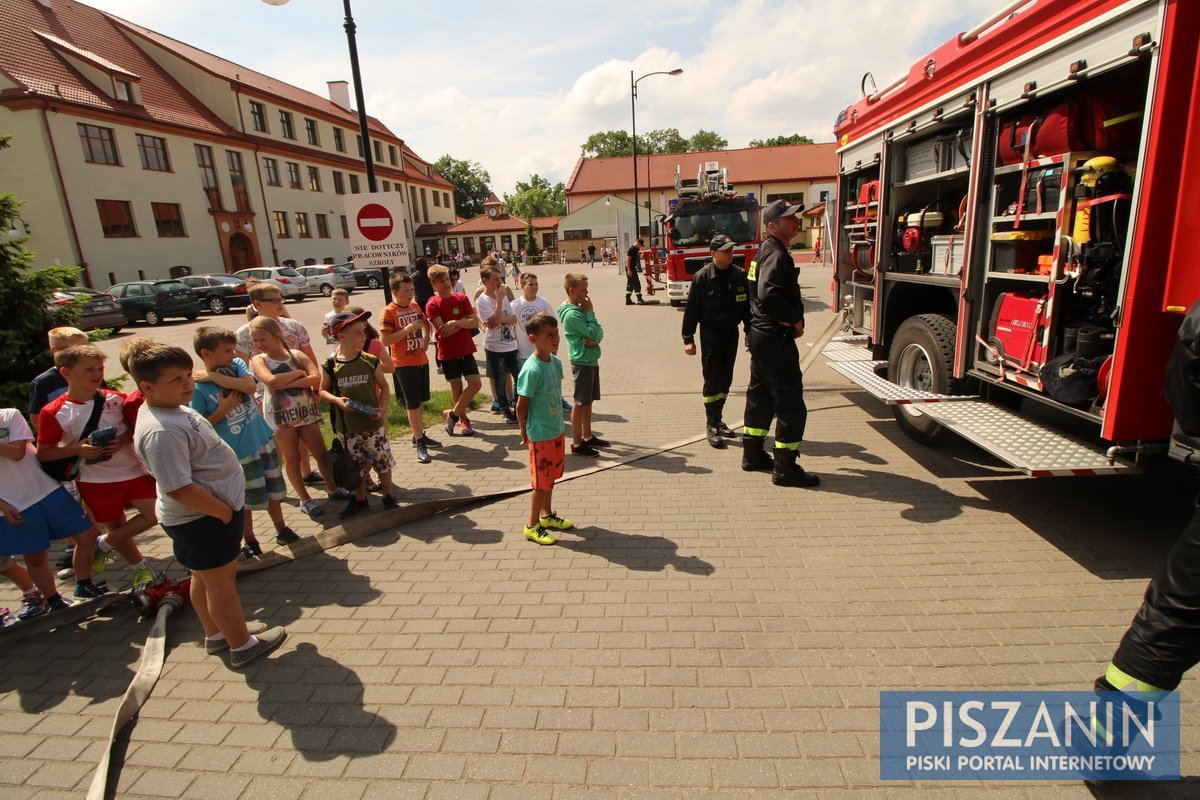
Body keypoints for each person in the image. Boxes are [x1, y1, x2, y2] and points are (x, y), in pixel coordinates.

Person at [129, 341, 286, 668]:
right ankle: (241, 645)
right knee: (222, 586)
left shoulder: (175, 408)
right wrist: (223, 512)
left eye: (188, 375)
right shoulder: (161, 431)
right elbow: (178, 487)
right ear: (147, 387)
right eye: (176, 380)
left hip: (208, 516)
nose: (189, 383)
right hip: (202, 519)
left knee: (203, 579)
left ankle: (218, 634)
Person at [36, 344, 157, 596]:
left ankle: (103, 544)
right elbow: (45, 453)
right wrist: (78, 449)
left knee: (155, 514)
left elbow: (134, 430)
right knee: (116, 526)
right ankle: (139, 567)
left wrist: (121, 441)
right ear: (65, 372)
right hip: (95, 481)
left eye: (100, 368)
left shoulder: (115, 398)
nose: (97, 373)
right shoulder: (54, 411)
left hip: (132, 472)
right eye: (89, 369)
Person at [190, 327, 297, 551]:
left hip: (261, 439)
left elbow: (249, 386)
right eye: (227, 350)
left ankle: (281, 529)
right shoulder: (198, 388)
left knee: (273, 489)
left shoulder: (236, 367)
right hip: (237, 452)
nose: (233, 354)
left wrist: (213, 375)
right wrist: (224, 409)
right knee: (243, 498)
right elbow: (201, 426)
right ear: (206, 353)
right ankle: (249, 538)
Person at [742, 199, 820, 487]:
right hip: (775, 336)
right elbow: (769, 295)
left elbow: (752, 293)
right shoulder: (775, 254)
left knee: (761, 395)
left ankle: (752, 453)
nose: (795, 221)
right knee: (790, 403)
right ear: (772, 225)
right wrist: (794, 320)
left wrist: (751, 328)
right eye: (788, 218)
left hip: (762, 335)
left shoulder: (761, 252)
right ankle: (785, 468)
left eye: (795, 216)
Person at [248, 317, 346, 516]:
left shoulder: (296, 354)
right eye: (255, 341)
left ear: (277, 335)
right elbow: (270, 381)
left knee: (320, 453)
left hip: (306, 412)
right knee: (293, 458)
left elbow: (316, 377)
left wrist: (287, 380)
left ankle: (333, 489)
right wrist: (298, 375)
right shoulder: (259, 359)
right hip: (281, 417)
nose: (259, 345)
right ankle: (305, 499)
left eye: (263, 339)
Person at [236, 281, 322, 485]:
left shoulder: (293, 327)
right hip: (266, 397)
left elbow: (312, 361)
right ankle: (279, 480)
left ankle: (306, 473)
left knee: (302, 437)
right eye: (274, 300)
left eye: (281, 299)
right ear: (257, 304)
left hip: (300, 396)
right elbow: (241, 368)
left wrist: (316, 391)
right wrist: (252, 397)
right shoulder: (243, 334)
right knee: (276, 440)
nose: (280, 303)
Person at [1, 408, 81, 618]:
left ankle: (85, 583)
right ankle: (54, 600)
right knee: (35, 556)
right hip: (14, 504)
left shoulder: (9, 415)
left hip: (46, 491)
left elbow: (17, 453)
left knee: (86, 535)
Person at [319, 311, 396, 519]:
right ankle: (360, 499)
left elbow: (385, 387)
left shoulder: (370, 360)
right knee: (357, 467)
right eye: (357, 332)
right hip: (349, 428)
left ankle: (389, 495)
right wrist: (337, 400)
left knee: (382, 462)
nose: (363, 336)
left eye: (363, 331)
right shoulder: (330, 364)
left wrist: (383, 407)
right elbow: (322, 390)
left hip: (373, 425)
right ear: (341, 336)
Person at [682, 234, 752, 449]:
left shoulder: (739, 275)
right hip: (710, 334)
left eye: (731, 249)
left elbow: (748, 307)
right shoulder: (702, 277)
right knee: (713, 379)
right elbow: (691, 310)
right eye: (725, 250)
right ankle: (711, 424)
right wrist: (688, 338)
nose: (730, 253)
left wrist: (749, 331)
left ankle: (718, 419)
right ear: (713, 253)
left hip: (731, 333)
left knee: (726, 380)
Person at [516, 313, 574, 545]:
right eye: (549, 335)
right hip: (540, 435)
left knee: (551, 478)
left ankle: (547, 515)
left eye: (556, 333)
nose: (556, 338)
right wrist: (523, 428)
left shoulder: (556, 362)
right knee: (540, 483)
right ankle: (532, 525)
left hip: (556, 430)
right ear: (533, 338)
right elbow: (521, 405)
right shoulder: (531, 369)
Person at [381, 271, 440, 464]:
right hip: (404, 364)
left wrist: (425, 339)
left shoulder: (414, 306)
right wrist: (406, 330)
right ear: (395, 292)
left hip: (421, 360)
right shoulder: (389, 311)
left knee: (421, 401)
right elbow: (385, 339)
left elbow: (425, 323)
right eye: (406, 290)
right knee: (412, 404)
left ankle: (418, 434)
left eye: (412, 289)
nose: (411, 293)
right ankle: (420, 443)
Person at [426, 264, 481, 436]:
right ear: (434, 285)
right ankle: (465, 422)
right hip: (448, 352)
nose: (446, 283)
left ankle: (453, 415)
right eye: (442, 281)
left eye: (448, 280)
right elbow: (443, 330)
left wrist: (456, 322)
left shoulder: (461, 298)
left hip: (466, 349)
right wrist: (463, 319)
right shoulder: (432, 304)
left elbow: (474, 322)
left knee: (475, 384)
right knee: (456, 389)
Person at [559, 273, 608, 458]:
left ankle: (587, 436)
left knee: (588, 402)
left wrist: (594, 336)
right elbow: (594, 333)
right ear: (572, 290)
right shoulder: (573, 314)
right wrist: (590, 312)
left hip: (590, 360)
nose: (587, 293)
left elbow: (598, 333)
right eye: (583, 289)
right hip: (582, 362)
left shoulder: (579, 310)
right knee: (580, 403)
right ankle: (577, 443)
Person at [476, 264, 521, 424]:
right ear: (485, 280)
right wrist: (500, 302)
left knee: (520, 377)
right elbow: (492, 324)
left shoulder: (502, 294)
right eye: (495, 279)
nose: (499, 282)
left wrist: (500, 316)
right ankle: (505, 409)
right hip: (495, 347)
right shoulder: (483, 300)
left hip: (511, 344)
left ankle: (517, 406)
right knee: (500, 380)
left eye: (500, 278)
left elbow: (514, 319)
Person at [28, 326, 88, 425]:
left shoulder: (91, 373)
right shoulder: (43, 382)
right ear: (55, 350)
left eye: (84, 347)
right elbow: (36, 419)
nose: (81, 353)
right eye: (74, 348)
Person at [625, 239, 646, 305]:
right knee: (636, 284)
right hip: (630, 268)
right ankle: (639, 299)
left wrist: (642, 252)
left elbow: (636, 254)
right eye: (640, 245)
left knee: (630, 284)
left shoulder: (635, 249)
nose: (640, 247)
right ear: (637, 243)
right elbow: (627, 259)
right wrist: (629, 270)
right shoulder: (632, 249)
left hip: (632, 268)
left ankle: (628, 300)